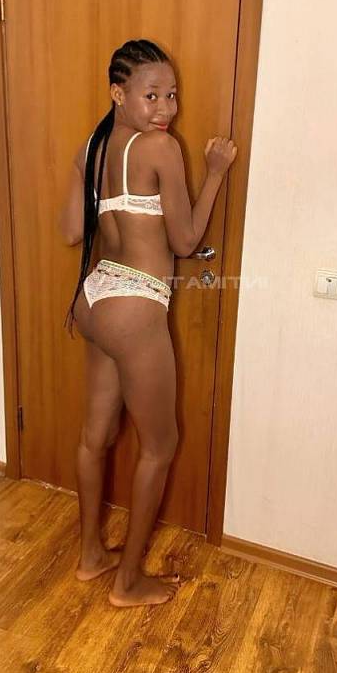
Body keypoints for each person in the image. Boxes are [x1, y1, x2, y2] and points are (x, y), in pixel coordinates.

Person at [58, 39, 237, 608]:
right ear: (119, 93)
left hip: (94, 299)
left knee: (95, 436)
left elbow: (70, 231)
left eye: (171, 95)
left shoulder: (91, 149)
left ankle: (91, 556)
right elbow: (185, 242)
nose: (165, 108)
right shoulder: (159, 148)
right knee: (160, 446)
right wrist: (215, 173)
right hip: (134, 306)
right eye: (151, 95)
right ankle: (129, 581)